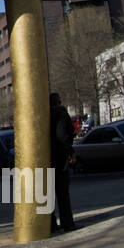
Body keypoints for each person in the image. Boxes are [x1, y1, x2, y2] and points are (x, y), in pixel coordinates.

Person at [48, 92, 75, 232]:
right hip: (60, 158)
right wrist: (69, 151)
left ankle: (51, 224)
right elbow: (62, 135)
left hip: (47, 158)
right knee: (63, 193)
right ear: (59, 101)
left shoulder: (44, 115)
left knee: (49, 194)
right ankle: (67, 223)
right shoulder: (61, 114)